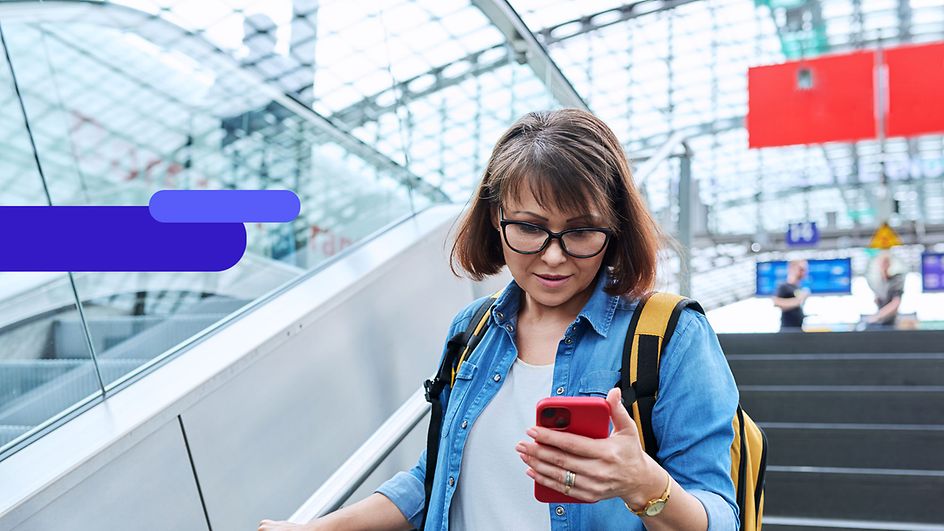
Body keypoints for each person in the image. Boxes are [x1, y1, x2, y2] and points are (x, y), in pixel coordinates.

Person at [259, 109, 739, 530]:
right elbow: (436, 479)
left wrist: (644, 485)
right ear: (495, 216)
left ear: (614, 228)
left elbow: (718, 514)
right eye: (530, 227)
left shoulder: (671, 335)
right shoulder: (472, 330)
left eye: (580, 231)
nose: (553, 257)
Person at [864, 252, 905, 329]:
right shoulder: (880, 282)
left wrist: (877, 316)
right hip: (880, 322)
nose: (883, 266)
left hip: (891, 323)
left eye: (885, 263)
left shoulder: (896, 280)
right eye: (882, 263)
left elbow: (895, 303)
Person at [772, 259, 809, 331]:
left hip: (798, 329)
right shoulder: (784, 286)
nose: (804, 272)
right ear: (792, 269)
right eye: (801, 269)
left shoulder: (799, 288)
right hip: (788, 330)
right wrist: (798, 300)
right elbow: (776, 302)